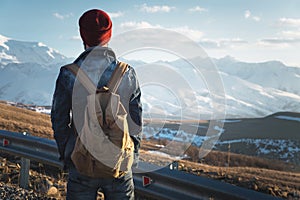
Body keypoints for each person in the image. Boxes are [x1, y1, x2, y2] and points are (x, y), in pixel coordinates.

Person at [51, 9, 142, 200]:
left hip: (81, 162)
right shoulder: (127, 73)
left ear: (82, 35)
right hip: (119, 163)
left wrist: (68, 155)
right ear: (109, 35)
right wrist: (133, 154)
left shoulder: (68, 74)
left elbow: (59, 119)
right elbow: (136, 118)